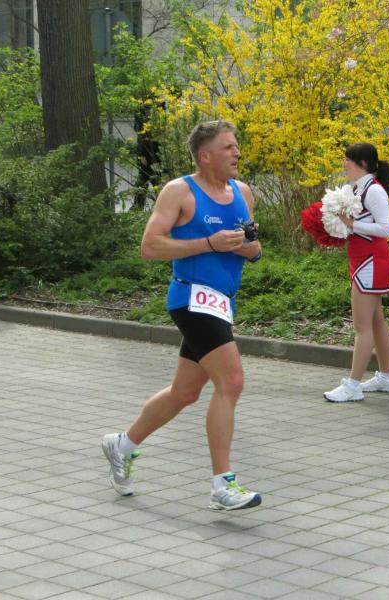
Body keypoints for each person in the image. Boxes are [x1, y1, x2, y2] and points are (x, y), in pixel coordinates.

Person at [102, 120, 263, 510]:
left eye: (236, 146)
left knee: (185, 392)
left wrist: (243, 247)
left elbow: (255, 249)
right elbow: (150, 246)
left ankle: (122, 444)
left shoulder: (243, 193)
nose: (237, 152)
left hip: (222, 301)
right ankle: (222, 485)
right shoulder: (180, 191)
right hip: (191, 297)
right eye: (228, 147)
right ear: (205, 156)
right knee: (232, 382)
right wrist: (208, 242)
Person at [323, 143, 389, 402]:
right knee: (376, 322)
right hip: (361, 260)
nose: (344, 164)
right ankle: (386, 377)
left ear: (363, 164)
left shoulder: (373, 190)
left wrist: (351, 223)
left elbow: (386, 229)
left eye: (348, 160)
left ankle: (353, 386)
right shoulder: (357, 189)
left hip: (371, 262)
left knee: (362, 327)